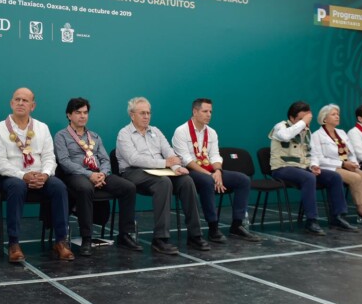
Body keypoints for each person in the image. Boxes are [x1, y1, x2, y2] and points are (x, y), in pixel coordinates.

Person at [116, 97, 210, 255]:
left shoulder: (156, 131)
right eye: (142, 113)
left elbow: (169, 152)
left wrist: (176, 166)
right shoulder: (124, 134)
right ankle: (160, 239)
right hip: (133, 172)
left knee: (186, 180)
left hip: (160, 170)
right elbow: (134, 159)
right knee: (164, 183)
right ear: (132, 115)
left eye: (148, 113)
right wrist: (164, 163)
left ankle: (195, 234)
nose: (146, 116)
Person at [0, 88, 75, 263]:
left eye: (25, 100)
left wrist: (44, 175)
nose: (21, 103)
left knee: (59, 186)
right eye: (17, 100)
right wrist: (23, 176)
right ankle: (14, 243)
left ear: (33, 106)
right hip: (12, 178)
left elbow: (49, 157)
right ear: (11, 103)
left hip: (39, 175)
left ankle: (61, 241)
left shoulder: (42, 128)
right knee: (17, 186)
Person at [54, 98, 142, 256]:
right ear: (69, 115)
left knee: (128, 187)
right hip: (76, 175)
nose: (82, 116)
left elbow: (104, 159)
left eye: (85, 112)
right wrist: (90, 175)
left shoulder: (94, 136)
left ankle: (125, 235)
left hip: (99, 174)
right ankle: (86, 238)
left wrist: (103, 174)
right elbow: (65, 162)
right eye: (78, 112)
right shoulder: (61, 136)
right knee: (85, 187)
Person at [172, 98, 261, 243]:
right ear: (195, 112)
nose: (209, 115)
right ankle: (213, 228)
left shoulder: (211, 132)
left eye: (210, 111)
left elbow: (215, 155)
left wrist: (218, 171)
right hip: (190, 172)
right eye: (205, 111)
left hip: (212, 171)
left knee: (243, 180)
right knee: (207, 181)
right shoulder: (181, 131)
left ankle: (237, 225)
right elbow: (186, 160)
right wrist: (210, 174)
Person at [268, 101, 356, 235]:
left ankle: (338, 216)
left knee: (334, 177)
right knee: (308, 178)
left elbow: (311, 153)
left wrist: (314, 165)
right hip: (282, 168)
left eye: (307, 118)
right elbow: (286, 136)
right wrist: (303, 122)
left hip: (303, 168)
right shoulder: (281, 127)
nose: (305, 122)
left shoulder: (306, 131)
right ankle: (311, 220)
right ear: (292, 118)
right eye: (301, 119)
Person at [312, 104, 362, 228]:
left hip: (347, 165)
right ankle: (360, 208)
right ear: (324, 119)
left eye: (338, 114)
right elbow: (319, 158)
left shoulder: (341, 133)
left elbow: (351, 152)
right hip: (332, 167)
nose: (337, 117)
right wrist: (342, 164)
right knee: (356, 178)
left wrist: (353, 163)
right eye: (333, 114)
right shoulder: (317, 135)